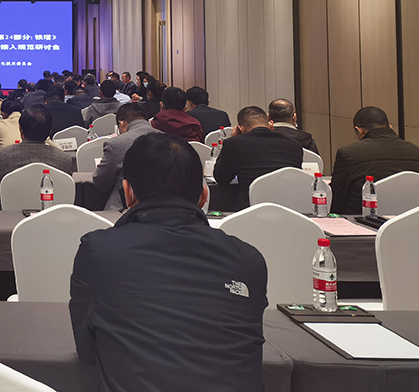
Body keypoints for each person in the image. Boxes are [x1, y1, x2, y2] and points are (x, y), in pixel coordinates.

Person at [70, 132, 267, 392]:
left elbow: (87, 351)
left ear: (128, 193)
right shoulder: (249, 259)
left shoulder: (99, 251)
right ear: (204, 195)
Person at [330, 106, 419, 215]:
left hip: (362, 221)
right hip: (411, 221)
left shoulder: (348, 154)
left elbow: (336, 200)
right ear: (390, 127)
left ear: (359, 131)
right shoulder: (416, 151)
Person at [213, 106, 304, 210]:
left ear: (241, 128)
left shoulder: (233, 144)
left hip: (250, 208)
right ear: (270, 124)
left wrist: (233, 139)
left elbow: (221, 178)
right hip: (290, 208)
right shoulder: (294, 145)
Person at [0, 105, 76, 209]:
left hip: (10, 217)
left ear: (20, 130)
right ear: (49, 132)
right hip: (51, 217)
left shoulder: (2, 156)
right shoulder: (64, 159)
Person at [92, 103, 161, 211]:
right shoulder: (168, 139)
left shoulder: (116, 144)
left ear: (121, 125)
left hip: (122, 209)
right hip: (163, 207)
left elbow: (101, 183)